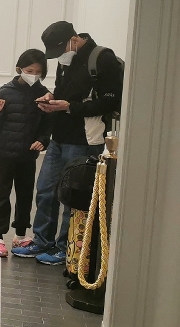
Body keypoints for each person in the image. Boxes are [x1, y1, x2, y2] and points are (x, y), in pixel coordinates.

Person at [12, 21, 123, 266]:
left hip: (85, 139)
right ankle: (42, 241)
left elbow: (110, 101)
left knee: (71, 196)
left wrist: (70, 107)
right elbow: (62, 92)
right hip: (59, 136)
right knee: (45, 190)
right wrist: (50, 98)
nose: (59, 56)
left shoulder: (102, 58)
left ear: (74, 40)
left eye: (60, 49)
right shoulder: (65, 61)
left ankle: (65, 248)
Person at [0, 50, 52, 257]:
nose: (34, 75)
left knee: (25, 194)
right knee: (0, 193)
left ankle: (21, 234)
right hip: (5, 152)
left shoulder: (44, 94)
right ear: (19, 69)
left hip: (28, 154)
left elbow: (47, 124)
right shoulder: (5, 92)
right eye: (29, 70)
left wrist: (43, 140)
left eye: (38, 71)